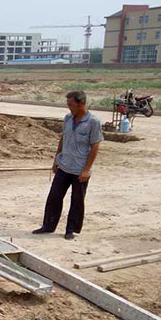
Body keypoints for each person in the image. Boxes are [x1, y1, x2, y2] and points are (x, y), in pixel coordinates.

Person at [32, 90, 103, 240]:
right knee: (54, 196)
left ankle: (71, 229)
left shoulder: (93, 122)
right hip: (64, 165)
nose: (69, 108)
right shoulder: (68, 119)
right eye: (68, 104)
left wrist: (86, 170)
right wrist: (56, 159)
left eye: (71, 104)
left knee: (77, 200)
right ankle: (48, 225)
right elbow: (63, 138)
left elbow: (95, 146)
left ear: (81, 103)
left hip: (80, 169)